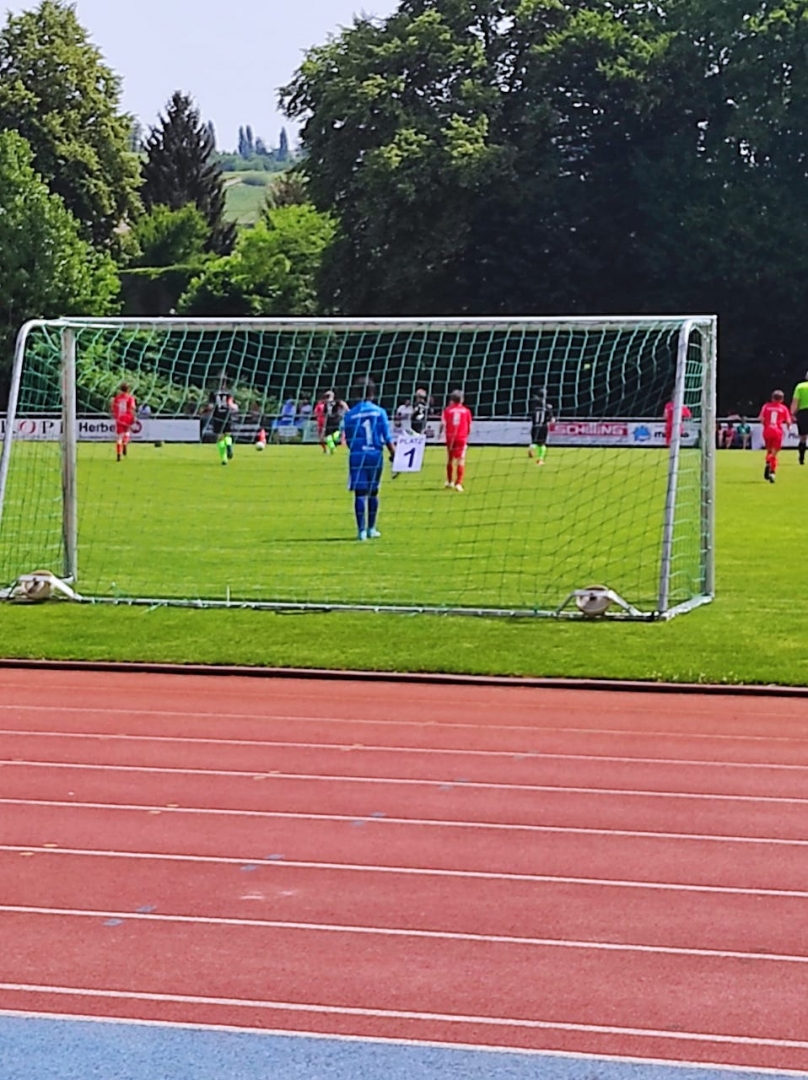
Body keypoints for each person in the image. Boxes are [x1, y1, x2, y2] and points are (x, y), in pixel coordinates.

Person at [342, 378, 394, 541]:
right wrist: (394, 454)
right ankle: (372, 528)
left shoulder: (349, 415)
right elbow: (387, 437)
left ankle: (361, 532)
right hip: (375, 454)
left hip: (357, 455)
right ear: (372, 393)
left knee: (359, 493)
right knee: (373, 491)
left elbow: (348, 440)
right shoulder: (379, 412)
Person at [441, 389, 473, 492]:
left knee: (450, 459)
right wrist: (467, 435)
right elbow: (469, 425)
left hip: (450, 437)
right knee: (461, 460)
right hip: (461, 437)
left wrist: (440, 434)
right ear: (462, 399)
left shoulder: (447, 410)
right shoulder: (466, 411)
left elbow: (443, 423)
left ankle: (450, 481)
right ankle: (458, 483)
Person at [759, 389, 793, 483]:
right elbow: (788, 421)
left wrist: (766, 425)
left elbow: (761, 418)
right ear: (782, 399)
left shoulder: (766, 406)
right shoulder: (783, 408)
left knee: (769, 450)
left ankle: (768, 463)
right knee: (774, 453)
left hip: (767, 431)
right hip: (777, 432)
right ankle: (772, 472)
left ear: (772, 398)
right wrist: (789, 427)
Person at [203, 381, 239, 465]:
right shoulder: (228, 393)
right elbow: (230, 404)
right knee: (228, 434)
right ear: (225, 384)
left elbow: (211, 406)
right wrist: (236, 408)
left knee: (220, 438)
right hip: (227, 416)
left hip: (217, 416)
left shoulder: (213, 393)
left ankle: (224, 459)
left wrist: (203, 411)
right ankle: (229, 445)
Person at [110, 382, 137, 462]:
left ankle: (119, 454)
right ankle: (125, 443)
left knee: (119, 437)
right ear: (128, 389)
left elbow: (113, 408)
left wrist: (114, 415)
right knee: (127, 432)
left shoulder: (117, 398)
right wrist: (134, 417)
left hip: (119, 418)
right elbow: (132, 408)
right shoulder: (130, 398)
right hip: (127, 417)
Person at [528, 389, 555, 466]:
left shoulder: (533, 407)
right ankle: (540, 460)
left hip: (534, 426)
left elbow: (531, 417)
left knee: (534, 442)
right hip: (543, 427)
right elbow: (552, 420)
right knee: (542, 444)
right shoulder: (547, 407)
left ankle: (531, 448)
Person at [790, 371, 808, 465]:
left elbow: (795, 401)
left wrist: (792, 414)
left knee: (803, 437)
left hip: (803, 413)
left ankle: (801, 458)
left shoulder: (800, 387)